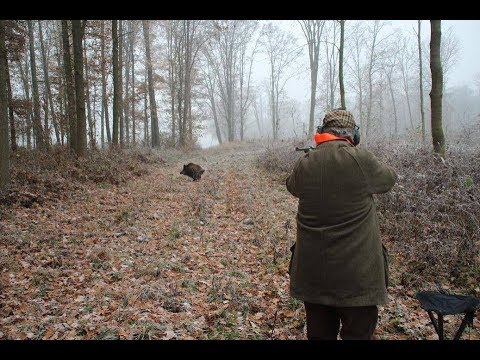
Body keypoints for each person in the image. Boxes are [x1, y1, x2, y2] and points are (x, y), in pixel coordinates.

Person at [286, 108, 397, 340]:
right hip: (358, 279)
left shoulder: (305, 163)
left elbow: (292, 186)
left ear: (322, 132)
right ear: (352, 135)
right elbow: (389, 179)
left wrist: (313, 157)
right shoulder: (361, 160)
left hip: (314, 275)